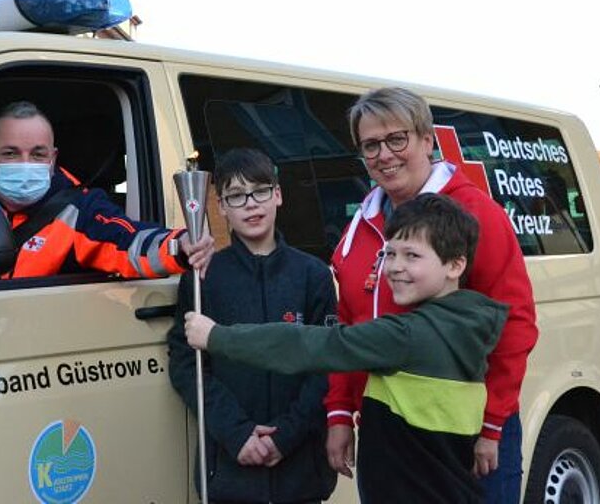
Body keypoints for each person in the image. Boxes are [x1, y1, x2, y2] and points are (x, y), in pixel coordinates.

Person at [185, 193, 509, 503]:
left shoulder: (408, 336)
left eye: (412, 255)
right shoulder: (468, 324)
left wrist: (217, 337)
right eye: (389, 253)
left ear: (455, 266)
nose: (394, 267)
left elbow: (312, 345)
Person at [325, 87, 538, 502]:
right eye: (370, 145)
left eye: (397, 139)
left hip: (463, 432)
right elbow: (350, 329)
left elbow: (514, 323)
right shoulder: (358, 227)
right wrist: (339, 412)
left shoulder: (475, 214)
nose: (384, 155)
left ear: (427, 139)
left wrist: (492, 425)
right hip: (388, 433)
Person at [167, 148, 338, 504]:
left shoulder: (312, 275)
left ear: (278, 194)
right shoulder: (203, 279)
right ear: (222, 208)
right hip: (230, 467)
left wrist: (284, 436)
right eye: (236, 196)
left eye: (260, 190)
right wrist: (237, 433)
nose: (251, 204)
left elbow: (327, 366)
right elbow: (188, 365)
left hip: (300, 468)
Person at [0, 100, 213, 278]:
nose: (25, 164)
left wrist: (181, 244)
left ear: (53, 158)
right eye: (10, 153)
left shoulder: (80, 209)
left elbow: (129, 242)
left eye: (37, 154)